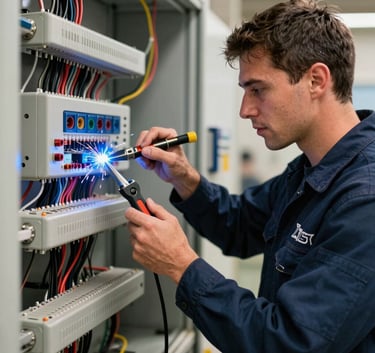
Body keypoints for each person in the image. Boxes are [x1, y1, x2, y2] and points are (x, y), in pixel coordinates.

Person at [124, 0, 375, 352]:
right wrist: (185, 178)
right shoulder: (312, 168)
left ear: (316, 80)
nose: (246, 110)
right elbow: (242, 225)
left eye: (258, 89)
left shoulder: (364, 199)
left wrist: (182, 265)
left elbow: (288, 342)